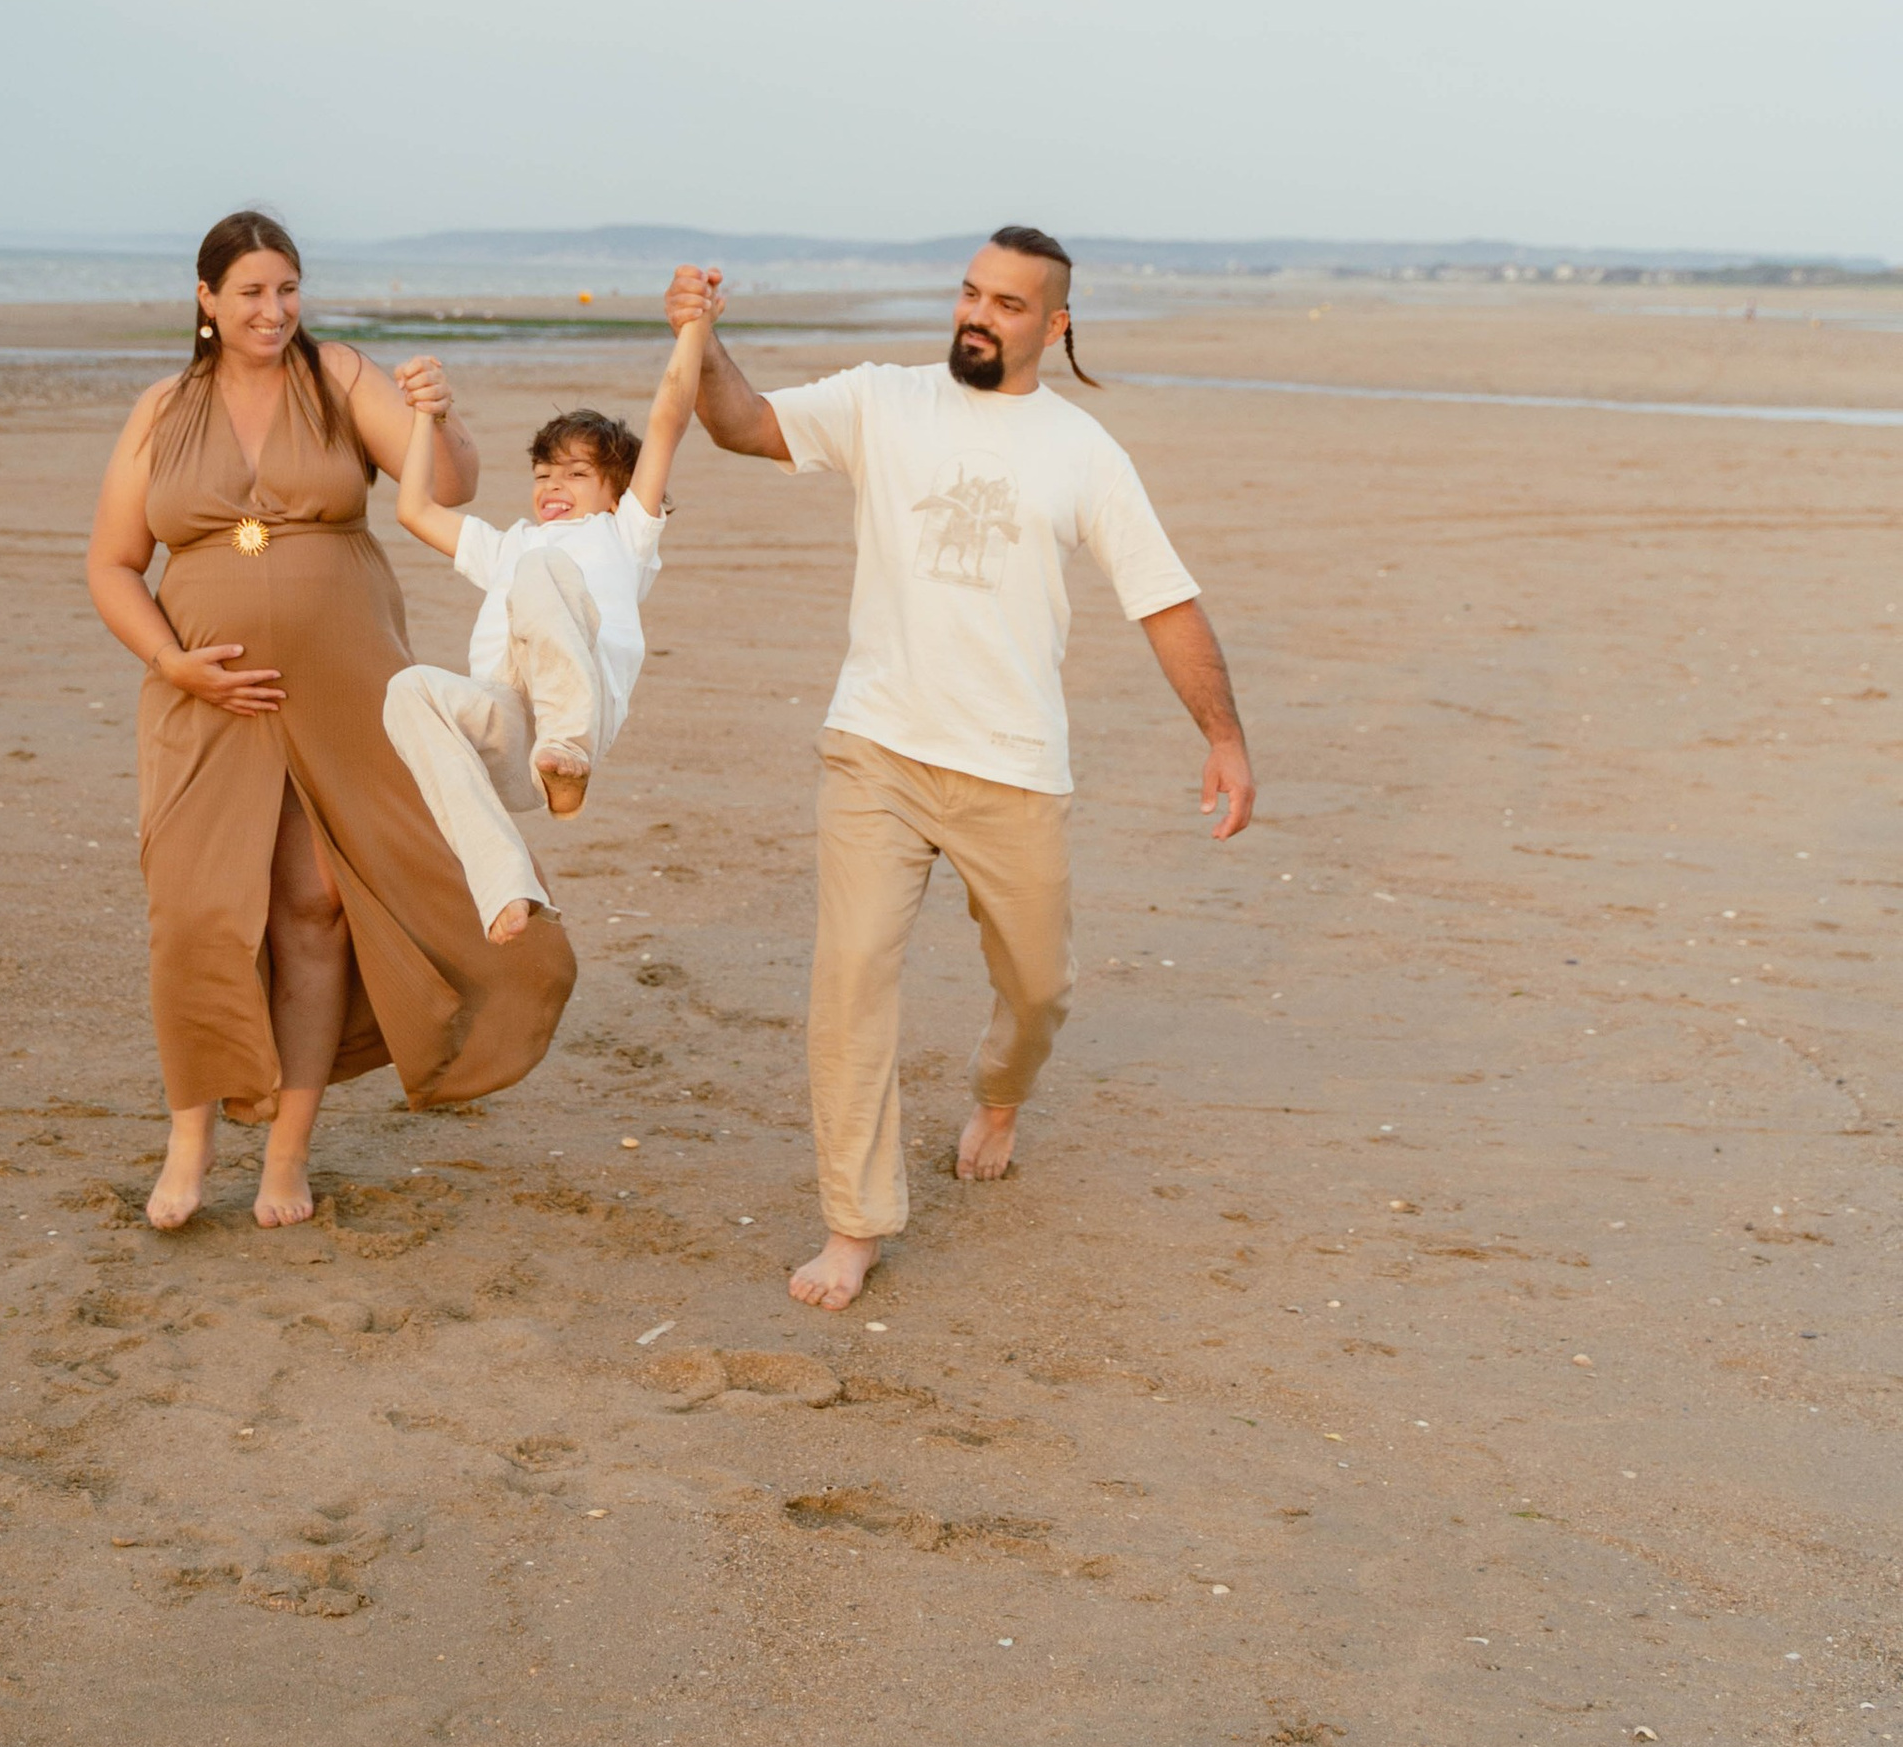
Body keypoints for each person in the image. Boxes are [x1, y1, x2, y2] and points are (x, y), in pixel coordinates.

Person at [664, 230, 1255, 1312]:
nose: (979, 316)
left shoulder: (1081, 451)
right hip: (875, 749)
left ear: (1054, 324)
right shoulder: (883, 400)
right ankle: (853, 1224)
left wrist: (1222, 736)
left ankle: (998, 1094)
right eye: (971, 294)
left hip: (1011, 766)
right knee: (849, 982)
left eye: (1009, 304)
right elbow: (743, 425)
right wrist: (701, 341)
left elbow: (1163, 599)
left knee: (1037, 988)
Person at [85, 209, 575, 1233]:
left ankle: (286, 1154)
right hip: (203, 694)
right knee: (195, 914)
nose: (274, 309)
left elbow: (443, 488)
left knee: (315, 909)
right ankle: (190, 1143)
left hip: (347, 683)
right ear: (206, 300)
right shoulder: (162, 410)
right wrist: (174, 660)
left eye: (288, 289)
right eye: (252, 292)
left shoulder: (340, 376)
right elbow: (112, 565)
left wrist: (442, 414)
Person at [383, 314, 707, 941]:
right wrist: (428, 416)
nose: (554, 483)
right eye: (543, 474)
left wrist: (694, 325)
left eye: (577, 474)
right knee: (409, 688)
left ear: (618, 495)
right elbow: (413, 508)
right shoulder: (512, 545)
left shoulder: (623, 532)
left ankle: (570, 753)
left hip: (579, 715)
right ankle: (503, 880)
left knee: (543, 571)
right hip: (512, 734)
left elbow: (668, 415)